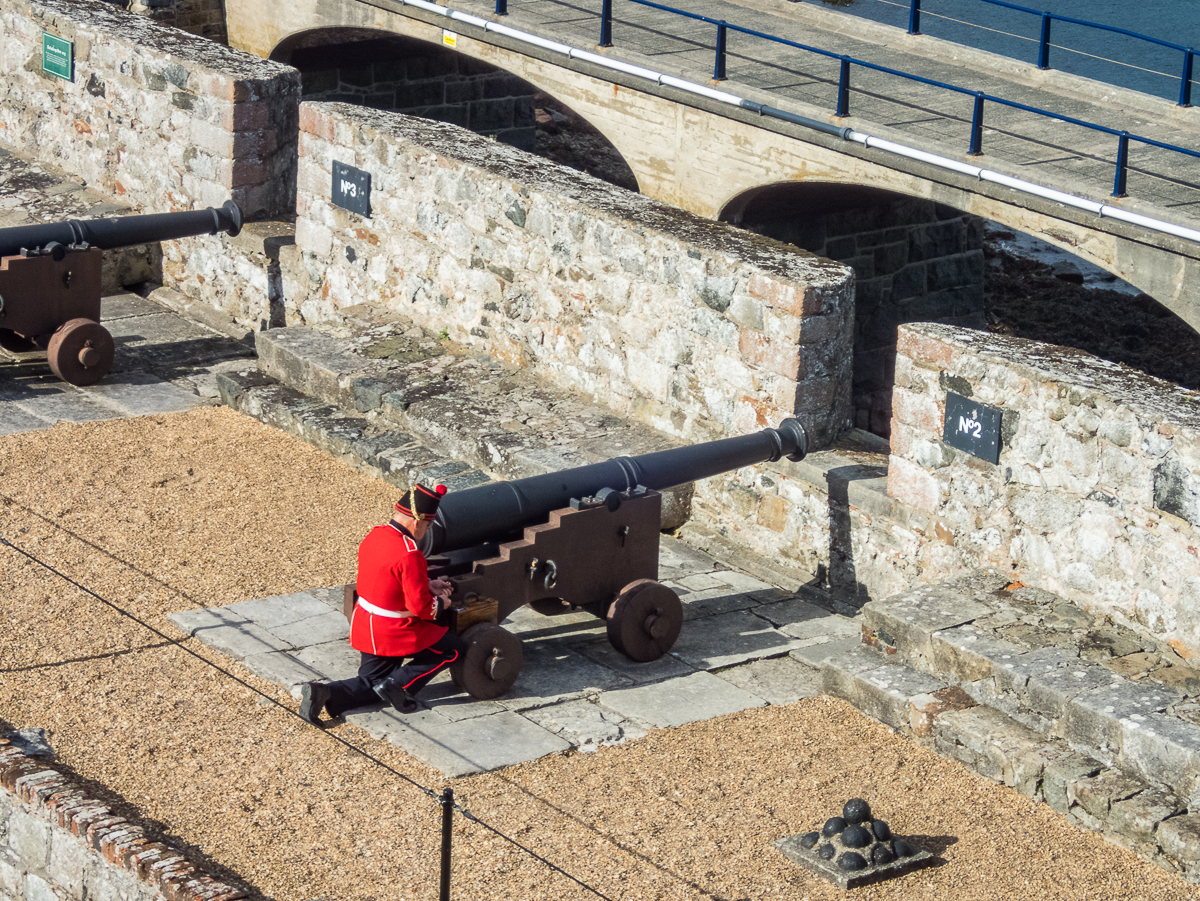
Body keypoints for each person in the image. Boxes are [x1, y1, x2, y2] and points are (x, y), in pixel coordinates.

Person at [299, 483, 468, 724]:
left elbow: (387, 578)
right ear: (417, 522)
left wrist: (425, 583)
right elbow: (422, 608)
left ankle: (324, 693)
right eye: (427, 526)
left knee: (371, 683)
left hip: (367, 624)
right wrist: (442, 601)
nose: (426, 531)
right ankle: (397, 685)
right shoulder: (410, 553)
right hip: (394, 631)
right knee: (452, 649)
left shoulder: (375, 534)